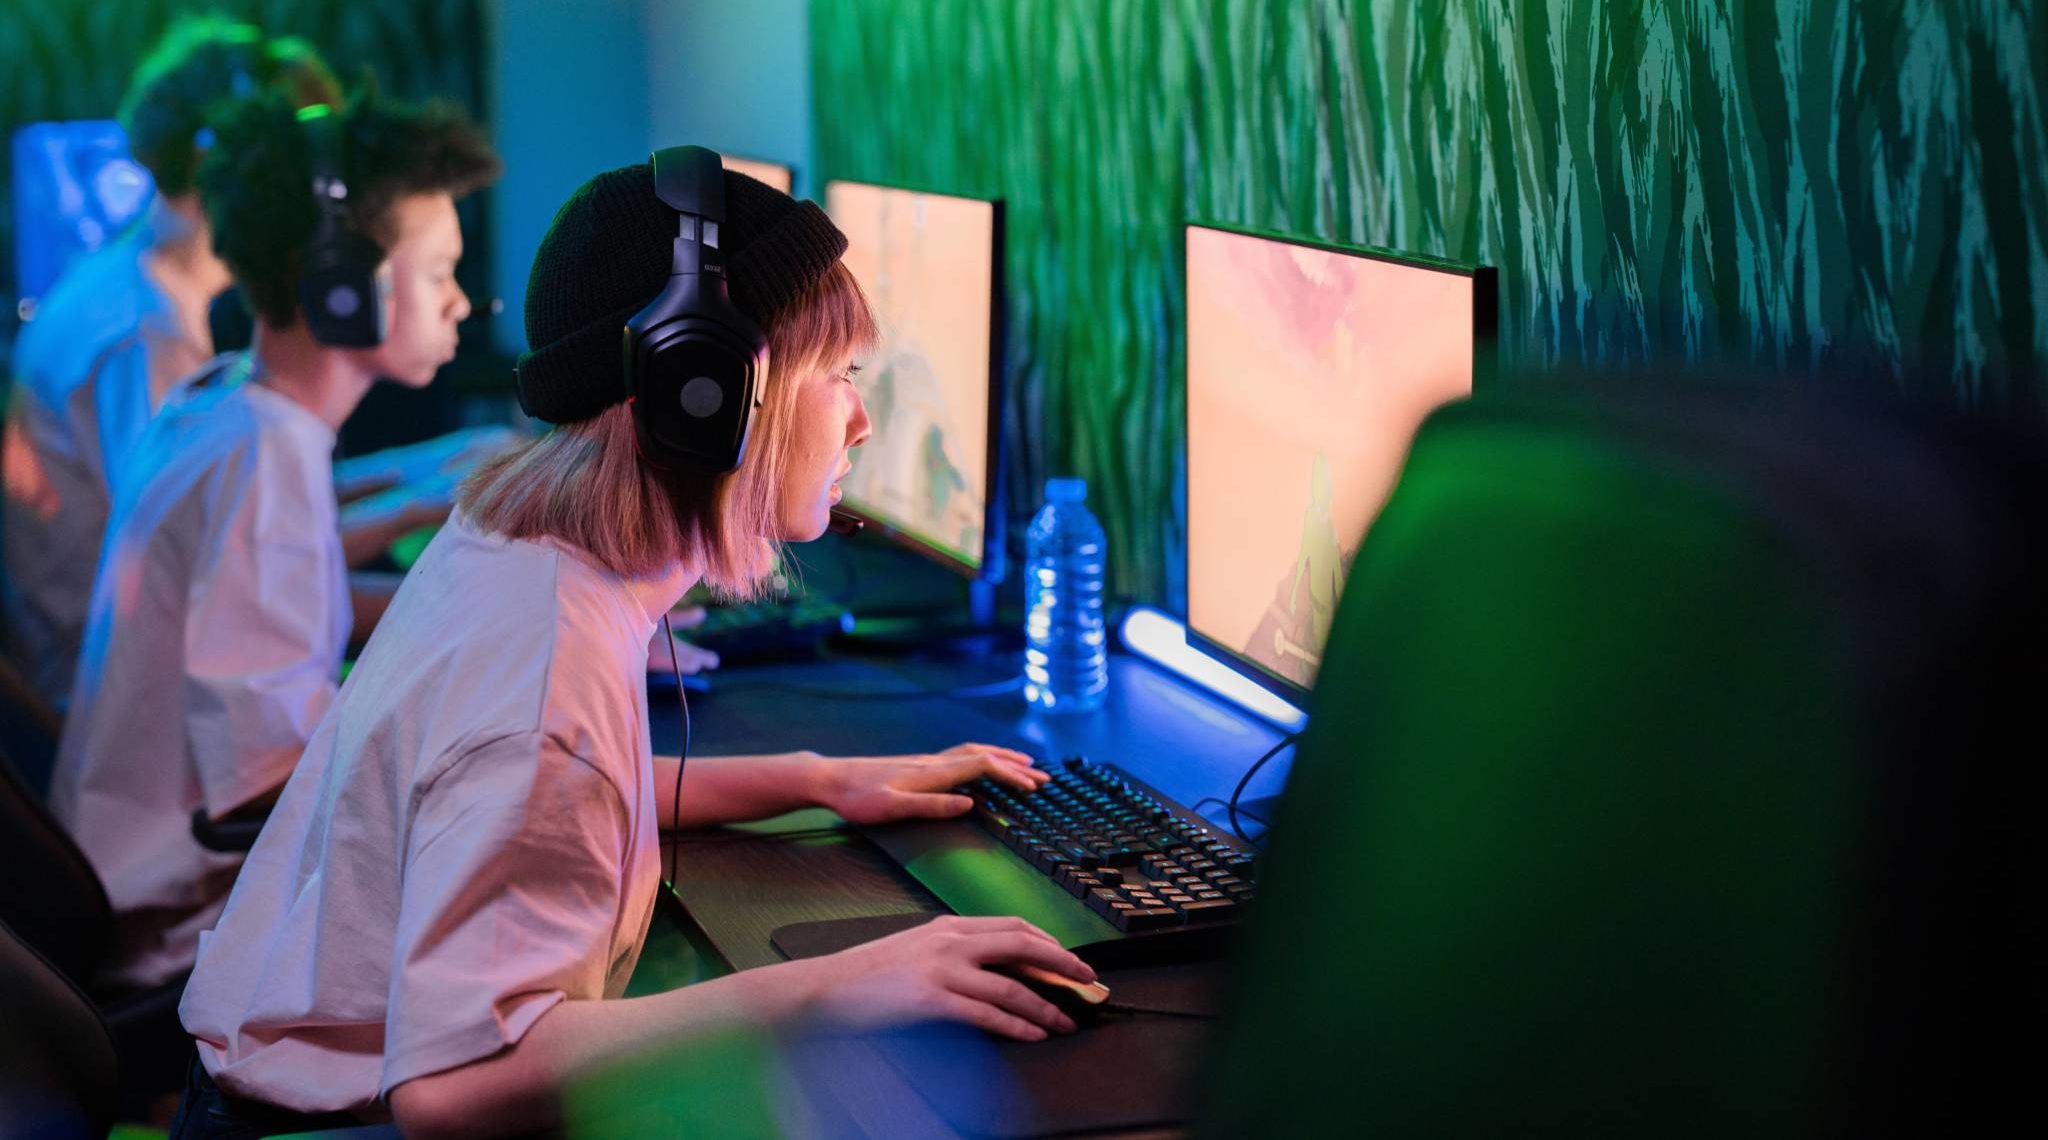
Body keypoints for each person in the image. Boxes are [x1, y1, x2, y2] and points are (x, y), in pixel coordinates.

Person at [175, 157, 1092, 1135]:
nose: (861, 422)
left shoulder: (513, 546)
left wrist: (819, 778)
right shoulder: (544, 673)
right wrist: (845, 983)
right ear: (701, 392)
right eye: (836, 376)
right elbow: (456, 1090)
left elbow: (552, 798)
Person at [47, 89, 501, 992]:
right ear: (343, 286)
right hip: (192, 934)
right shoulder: (265, 459)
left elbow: (302, 610)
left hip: (139, 891)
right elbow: (266, 783)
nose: (460, 302)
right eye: (439, 269)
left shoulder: (220, 402)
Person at [2, 16, 339, 712]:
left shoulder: (139, 287)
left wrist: (412, 485)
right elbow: (202, 564)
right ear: (227, 159)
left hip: (130, 669)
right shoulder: (143, 331)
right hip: (111, 703)